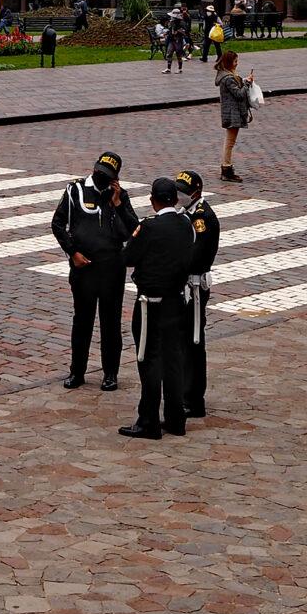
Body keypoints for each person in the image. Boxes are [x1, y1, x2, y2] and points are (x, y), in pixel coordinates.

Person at [51, 151, 138, 392]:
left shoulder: (120, 197)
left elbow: (133, 230)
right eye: (99, 173)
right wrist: (72, 253)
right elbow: (58, 223)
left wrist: (118, 204)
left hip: (111, 268)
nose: (101, 178)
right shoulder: (75, 191)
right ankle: (77, 371)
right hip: (84, 268)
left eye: (107, 176)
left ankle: (110, 373)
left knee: (110, 323)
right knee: (82, 321)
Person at [118, 177, 196, 440]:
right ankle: (176, 418)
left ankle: (148, 420)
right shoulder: (185, 223)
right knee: (173, 360)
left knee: (149, 360)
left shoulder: (149, 227)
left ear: (153, 200)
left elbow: (129, 257)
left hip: (151, 303)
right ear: (174, 199)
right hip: (176, 300)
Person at [176, 168, 220, 419]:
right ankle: (185, 392)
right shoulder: (188, 212)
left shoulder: (201, 217)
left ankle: (193, 399)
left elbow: (196, 255)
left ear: (197, 192)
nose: (179, 196)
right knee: (184, 340)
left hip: (193, 285)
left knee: (193, 340)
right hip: (186, 285)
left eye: (183, 193)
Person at [215, 49, 254, 181]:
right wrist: (247, 84)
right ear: (229, 62)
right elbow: (239, 94)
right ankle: (226, 169)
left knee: (229, 141)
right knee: (230, 142)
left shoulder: (227, 76)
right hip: (233, 114)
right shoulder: (228, 78)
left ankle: (226, 167)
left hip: (231, 112)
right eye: (235, 61)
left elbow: (236, 86)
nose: (237, 63)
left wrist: (244, 80)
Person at [163, 7, 189, 73]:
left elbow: (185, 32)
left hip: (178, 40)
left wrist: (179, 31)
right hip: (171, 40)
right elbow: (170, 30)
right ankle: (168, 68)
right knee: (169, 53)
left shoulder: (182, 23)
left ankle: (180, 69)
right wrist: (167, 33)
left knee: (178, 54)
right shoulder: (171, 23)